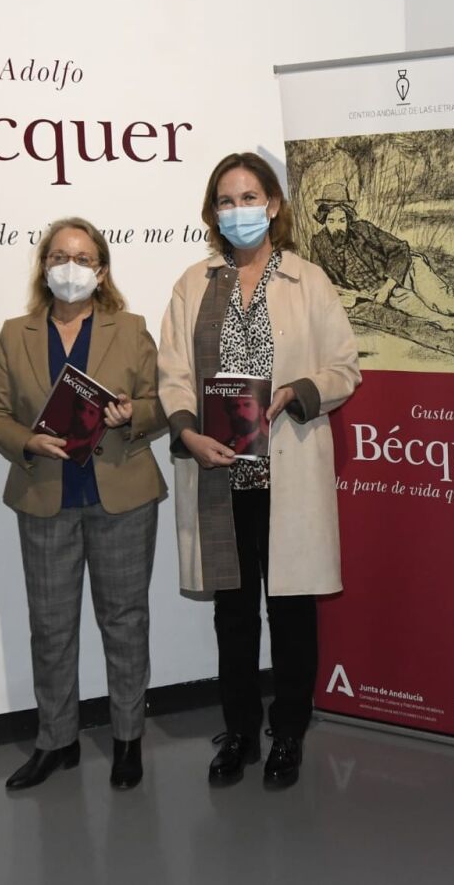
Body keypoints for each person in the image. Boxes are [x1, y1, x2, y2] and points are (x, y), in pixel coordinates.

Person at [158, 152, 360, 789]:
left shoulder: (308, 280)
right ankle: (241, 731)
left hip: (286, 472)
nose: (237, 210)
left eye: (249, 198)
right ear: (212, 211)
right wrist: (187, 431)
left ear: (272, 204)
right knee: (235, 615)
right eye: (226, 200)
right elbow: (172, 374)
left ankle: (289, 732)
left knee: (293, 611)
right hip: (221, 475)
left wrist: (297, 391)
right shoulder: (194, 283)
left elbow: (344, 368)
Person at [0, 217, 167, 792]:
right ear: (44, 267)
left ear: (101, 271)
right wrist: (27, 441)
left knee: (125, 622)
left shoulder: (130, 329)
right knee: (51, 627)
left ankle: (128, 739)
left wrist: (133, 415)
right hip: (45, 497)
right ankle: (56, 741)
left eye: (84, 259)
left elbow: (163, 403)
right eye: (60, 256)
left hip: (122, 496)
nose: (71, 268)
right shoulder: (15, 334)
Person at [311, 183, 454, 336]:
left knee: (442, 301)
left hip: (407, 270)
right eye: (331, 221)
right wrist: (346, 296)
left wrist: (387, 288)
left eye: (342, 220)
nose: (337, 226)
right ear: (324, 220)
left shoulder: (363, 229)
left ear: (348, 219)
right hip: (384, 291)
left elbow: (399, 249)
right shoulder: (319, 244)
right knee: (437, 319)